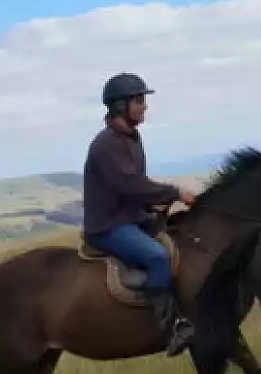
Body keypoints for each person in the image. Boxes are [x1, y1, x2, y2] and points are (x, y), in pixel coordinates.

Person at [82, 73, 199, 355]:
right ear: (120, 106)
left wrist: (153, 207)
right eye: (138, 100)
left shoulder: (131, 137)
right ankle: (168, 327)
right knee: (158, 258)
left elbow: (132, 186)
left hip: (131, 217)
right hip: (109, 227)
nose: (145, 106)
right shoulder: (107, 145)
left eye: (143, 99)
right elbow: (130, 184)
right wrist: (174, 193)